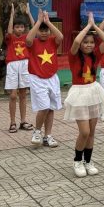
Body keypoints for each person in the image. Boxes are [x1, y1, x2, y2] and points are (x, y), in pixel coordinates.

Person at [64, 12, 104, 177]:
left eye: (91, 42)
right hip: (79, 95)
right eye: (86, 42)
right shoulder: (74, 56)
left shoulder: (95, 55)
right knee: (84, 132)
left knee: (91, 132)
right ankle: (77, 161)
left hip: (93, 92)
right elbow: (76, 41)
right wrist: (88, 26)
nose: (89, 45)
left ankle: (88, 161)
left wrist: (95, 26)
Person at [26, 9, 64, 147]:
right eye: (41, 30)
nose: (44, 32)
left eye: (46, 30)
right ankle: (37, 131)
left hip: (52, 78)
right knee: (44, 107)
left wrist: (48, 22)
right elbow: (28, 39)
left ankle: (48, 136)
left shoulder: (53, 41)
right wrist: (38, 22)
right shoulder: (33, 43)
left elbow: (60, 36)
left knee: (51, 108)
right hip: (37, 79)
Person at [4, 4, 34, 134]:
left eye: (22, 27)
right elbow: (9, 31)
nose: (19, 29)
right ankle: (12, 122)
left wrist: (29, 13)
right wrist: (12, 14)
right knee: (13, 95)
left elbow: (34, 27)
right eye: (17, 27)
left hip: (24, 65)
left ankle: (23, 121)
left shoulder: (27, 37)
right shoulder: (10, 38)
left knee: (23, 94)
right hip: (12, 65)